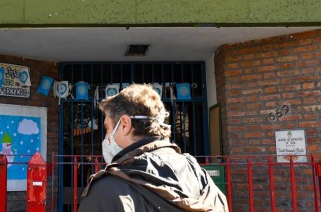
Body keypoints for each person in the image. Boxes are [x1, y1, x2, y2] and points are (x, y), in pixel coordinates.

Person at [79, 84, 228, 212]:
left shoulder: (106, 191)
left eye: (107, 128)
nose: (106, 137)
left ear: (124, 124)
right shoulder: (200, 177)